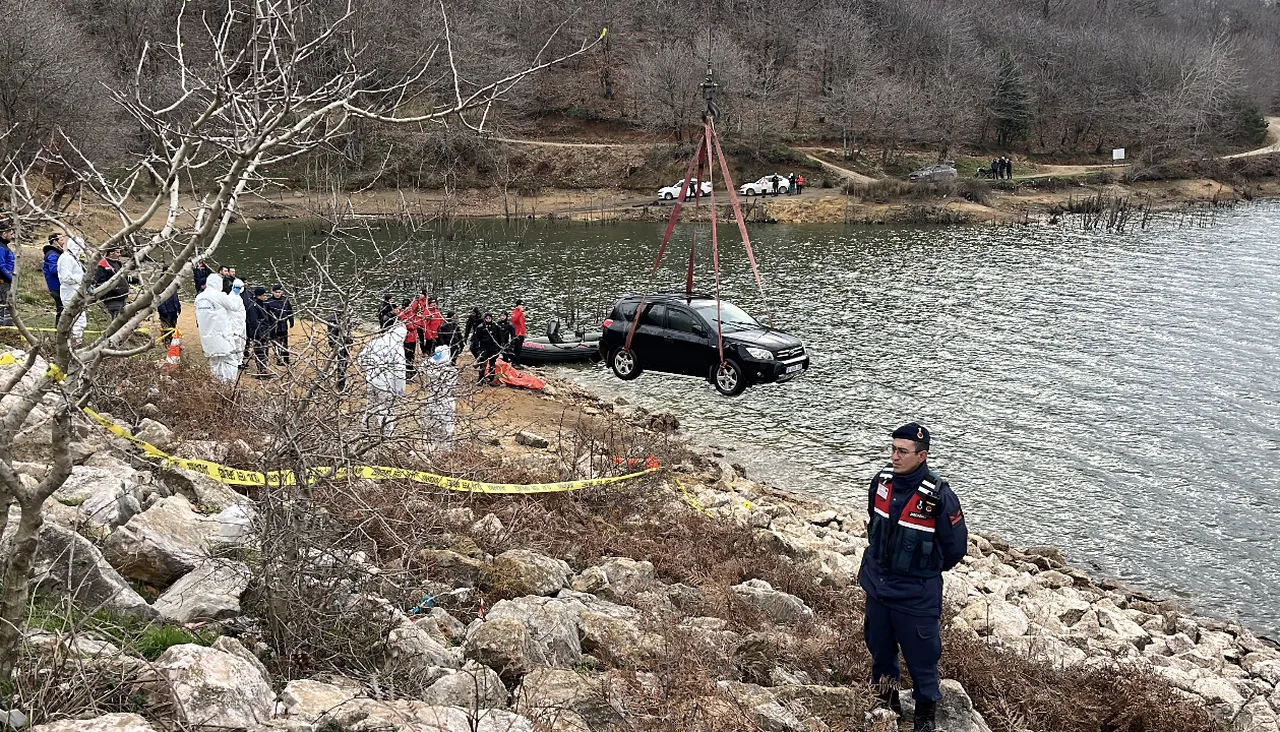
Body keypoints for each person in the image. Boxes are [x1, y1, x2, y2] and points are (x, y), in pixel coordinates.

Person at [858, 423, 967, 732]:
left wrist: (923, 569)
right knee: (879, 649)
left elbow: (955, 548)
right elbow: (873, 522)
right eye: (893, 449)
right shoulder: (881, 482)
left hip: (916, 593)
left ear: (922, 456)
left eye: (902, 452)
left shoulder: (940, 497)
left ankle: (923, 718)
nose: (895, 456)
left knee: (923, 657)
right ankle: (885, 703)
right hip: (877, 586)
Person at [357, 321, 407, 436]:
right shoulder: (397, 348)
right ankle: (386, 434)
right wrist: (399, 390)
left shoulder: (376, 342)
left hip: (371, 380)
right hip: (386, 384)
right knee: (386, 409)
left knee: (371, 405)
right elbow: (399, 372)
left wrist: (369, 371)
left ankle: (365, 430)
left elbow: (361, 358)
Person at [194, 273, 247, 384]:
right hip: (222, 336)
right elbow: (234, 307)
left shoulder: (198, 298)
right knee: (230, 361)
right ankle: (228, 385)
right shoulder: (219, 296)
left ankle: (217, 384)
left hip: (207, 338)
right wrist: (235, 293)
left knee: (215, 362)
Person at [423, 345, 459, 443]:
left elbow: (424, 365)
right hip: (448, 400)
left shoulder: (431, 370)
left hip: (434, 400)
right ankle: (446, 449)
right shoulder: (452, 371)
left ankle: (435, 448)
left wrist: (433, 359)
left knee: (433, 426)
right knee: (448, 426)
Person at [56, 236, 88, 343]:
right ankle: (75, 343)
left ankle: (75, 341)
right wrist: (81, 279)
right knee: (77, 319)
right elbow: (65, 278)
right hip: (70, 292)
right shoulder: (66, 258)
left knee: (79, 318)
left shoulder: (73, 259)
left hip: (76, 292)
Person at [92, 248, 131, 322]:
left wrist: (135, 280)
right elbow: (99, 283)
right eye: (117, 252)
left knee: (122, 319)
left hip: (122, 298)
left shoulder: (117, 263)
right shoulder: (103, 264)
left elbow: (123, 277)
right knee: (116, 321)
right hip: (112, 299)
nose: (119, 254)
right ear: (111, 253)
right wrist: (114, 289)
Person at [246, 287, 274, 378]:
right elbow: (254, 322)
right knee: (259, 352)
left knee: (265, 351)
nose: (265, 297)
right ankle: (260, 371)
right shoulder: (253, 307)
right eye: (264, 295)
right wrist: (260, 333)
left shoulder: (263, 305)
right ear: (259, 295)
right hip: (258, 334)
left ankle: (264, 369)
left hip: (265, 332)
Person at [265, 284, 294, 366]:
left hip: (283, 325)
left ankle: (286, 359)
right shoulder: (268, 301)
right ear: (272, 292)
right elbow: (266, 315)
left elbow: (290, 311)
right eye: (276, 292)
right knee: (276, 343)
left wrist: (291, 321)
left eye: (279, 292)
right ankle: (278, 358)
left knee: (285, 343)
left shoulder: (285, 300)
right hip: (273, 326)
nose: (278, 294)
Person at [326, 310, 353, 393]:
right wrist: (334, 344)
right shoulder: (335, 320)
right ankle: (341, 384)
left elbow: (347, 332)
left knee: (343, 363)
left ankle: (341, 382)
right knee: (342, 364)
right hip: (340, 344)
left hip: (343, 343)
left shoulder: (344, 318)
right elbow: (333, 334)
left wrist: (350, 340)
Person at [472, 312, 503, 384]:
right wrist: (478, 349)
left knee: (492, 364)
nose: (488, 320)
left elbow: (500, 337)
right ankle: (480, 379)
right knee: (483, 364)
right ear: (484, 319)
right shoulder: (480, 327)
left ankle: (491, 379)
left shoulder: (496, 326)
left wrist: (499, 348)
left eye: (489, 318)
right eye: (486, 318)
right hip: (484, 348)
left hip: (493, 348)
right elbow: (476, 339)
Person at [42, 233, 65, 321]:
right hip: (56, 287)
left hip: (57, 286)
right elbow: (54, 270)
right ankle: (59, 331)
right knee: (61, 310)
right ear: (55, 242)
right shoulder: (52, 255)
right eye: (61, 240)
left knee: (61, 310)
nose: (63, 242)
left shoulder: (56, 253)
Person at [397, 298, 420, 381]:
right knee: (407, 356)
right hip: (406, 339)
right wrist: (413, 325)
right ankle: (407, 373)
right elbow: (409, 326)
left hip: (413, 338)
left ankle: (411, 369)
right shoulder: (401, 315)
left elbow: (417, 323)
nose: (410, 308)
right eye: (409, 307)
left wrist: (413, 325)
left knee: (412, 355)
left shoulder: (412, 313)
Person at [0, 226, 14, 326]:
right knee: (7, 304)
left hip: (6, 280)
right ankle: (7, 328)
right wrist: (12, 278)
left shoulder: (4, 246)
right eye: (11, 233)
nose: (13, 236)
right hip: (4, 281)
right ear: (4, 234)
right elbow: (1, 265)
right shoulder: (1, 247)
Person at [510, 299, 528, 367]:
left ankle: (517, 362)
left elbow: (522, 324)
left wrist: (524, 332)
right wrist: (520, 312)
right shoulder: (514, 312)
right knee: (516, 349)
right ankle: (515, 363)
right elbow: (514, 320)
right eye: (521, 305)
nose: (523, 307)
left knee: (519, 349)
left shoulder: (522, 314)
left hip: (521, 333)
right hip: (517, 334)